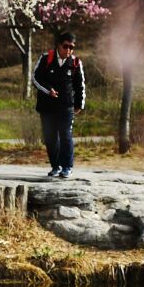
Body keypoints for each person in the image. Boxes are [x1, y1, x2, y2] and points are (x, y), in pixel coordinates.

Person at [32, 31, 86, 178]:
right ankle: (56, 166)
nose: (68, 50)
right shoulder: (45, 58)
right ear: (58, 45)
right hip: (47, 107)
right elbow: (35, 79)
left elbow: (80, 86)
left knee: (65, 135)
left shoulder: (75, 63)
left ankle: (67, 167)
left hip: (66, 107)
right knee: (50, 138)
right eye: (65, 46)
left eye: (71, 47)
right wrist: (48, 90)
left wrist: (79, 104)